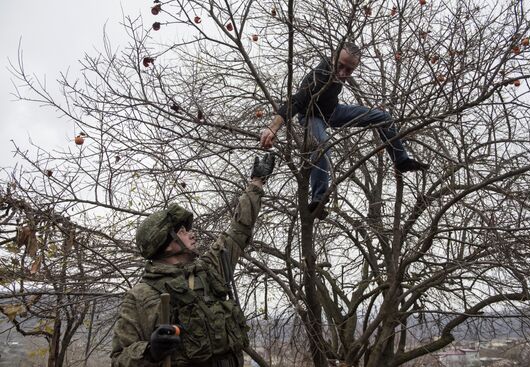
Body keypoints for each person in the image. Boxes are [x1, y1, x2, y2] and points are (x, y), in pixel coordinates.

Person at [111, 153, 275, 367]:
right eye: (182, 231)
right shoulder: (141, 296)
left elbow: (238, 229)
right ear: (165, 243)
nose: (192, 234)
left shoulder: (210, 268)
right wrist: (151, 350)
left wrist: (256, 182)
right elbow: (119, 358)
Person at [260, 42, 428, 219]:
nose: (342, 73)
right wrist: (273, 128)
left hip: (333, 112)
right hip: (312, 116)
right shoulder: (318, 76)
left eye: (349, 70)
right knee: (322, 145)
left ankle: (401, 160)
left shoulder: (342, 70)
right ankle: (318, 200)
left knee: (383, 117)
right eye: (340, 66)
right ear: (333, 57)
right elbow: (295, 101)